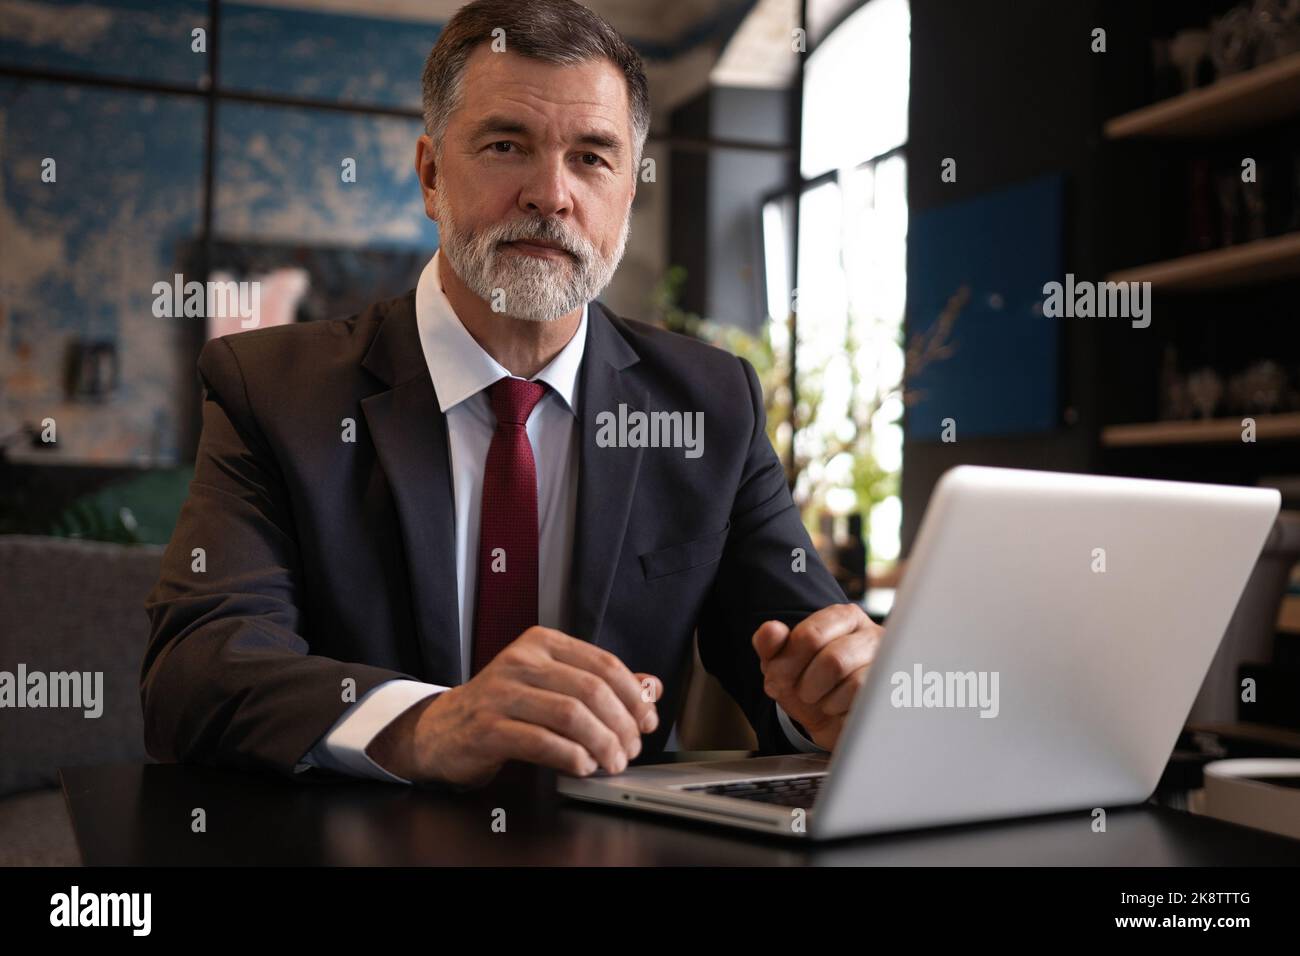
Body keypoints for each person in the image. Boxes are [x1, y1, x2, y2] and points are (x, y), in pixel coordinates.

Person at [142, 0, 884, 790]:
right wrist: (424, 723)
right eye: (507, 145)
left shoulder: (709, 406)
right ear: (431, 175)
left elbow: (798, 648)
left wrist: (835, 694)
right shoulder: (273, 392)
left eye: (593, 158)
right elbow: (195, 674)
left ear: (628, 193)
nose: (551, 194)